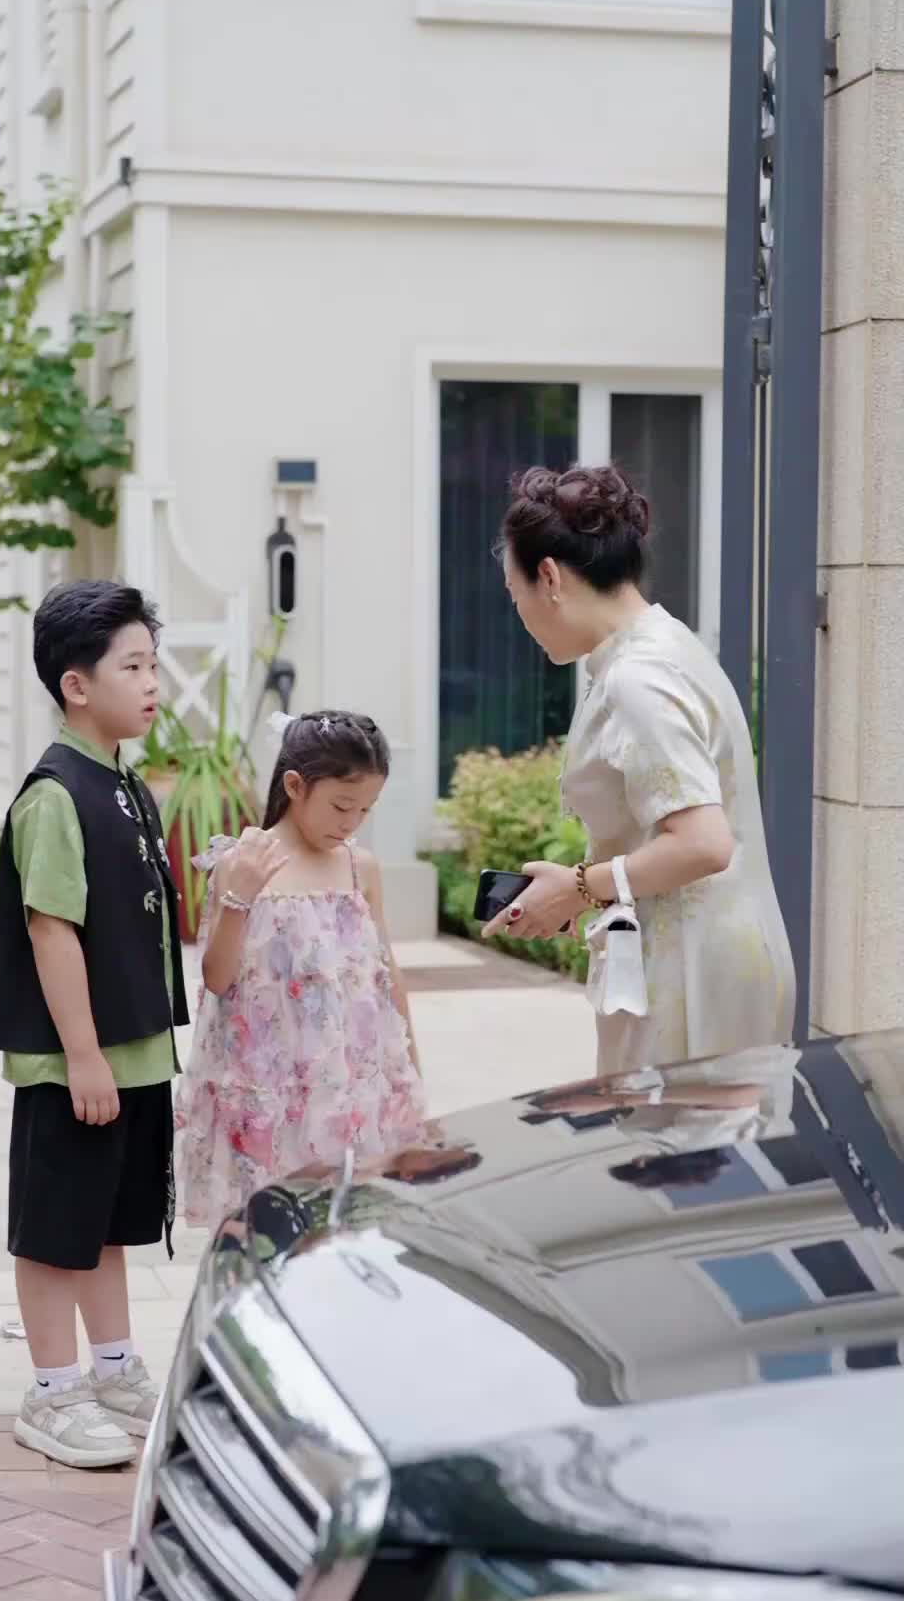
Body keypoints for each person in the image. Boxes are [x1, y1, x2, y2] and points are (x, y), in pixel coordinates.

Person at [484, 464, 795, 1074]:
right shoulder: (664, 645)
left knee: (674, 1132)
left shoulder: (638, 676)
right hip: (702, 953)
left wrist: (578, 886)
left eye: (514, 592)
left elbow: (704, 844)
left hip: (691, 971)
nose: (518, 611)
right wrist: (584, 888)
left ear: (548, 577)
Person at [0, 580, 189, 1469]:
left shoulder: (126, 785)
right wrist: (82, 1056)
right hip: (77, 1062)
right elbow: (50, 928)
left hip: (131, 1053)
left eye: (153, 665)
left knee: (108, 1223)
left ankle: (112, 1371)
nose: (153, 684)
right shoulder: (56, 793)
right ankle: (53, 1390)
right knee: (57, 1228)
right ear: (77, 685)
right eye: (133, 667)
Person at [174, 710, 428, 1230]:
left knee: (347, 1228)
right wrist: (239, 898)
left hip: (347, 1088)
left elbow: (386, 975)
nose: (351, 822)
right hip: (267, 1092)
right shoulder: (245, 863)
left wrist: (411, 1073)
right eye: (341, 806)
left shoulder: (360, 867)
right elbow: (217, 980)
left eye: (365, 810)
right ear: (294, 786)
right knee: (267, 1231)